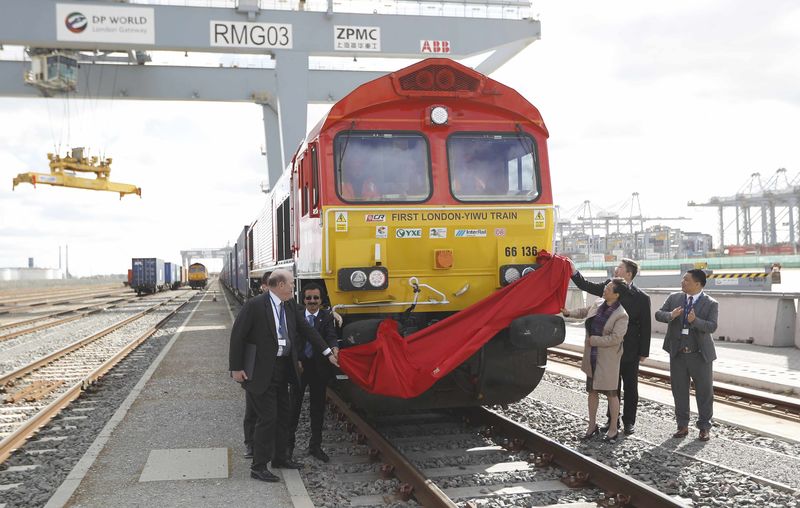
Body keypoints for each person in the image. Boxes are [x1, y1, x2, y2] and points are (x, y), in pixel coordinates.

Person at [229, 269, 339, 482]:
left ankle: (280, 458)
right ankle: (258, 466)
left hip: (283, 368)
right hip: (261, 370)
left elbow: (308, 330)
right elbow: (237, 336)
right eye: (290, 283)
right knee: (267, 418)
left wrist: (328, 353)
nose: (292, 287)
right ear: (279, 285)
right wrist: (236, 368)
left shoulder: (289, 306)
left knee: (284, 415)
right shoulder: (255, 305)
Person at [570, 258, 651, 435]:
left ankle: (629, 421)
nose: (616, 270)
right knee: (611, 387)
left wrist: (644, 351)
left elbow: (646, 326)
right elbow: (587, 285)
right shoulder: (609, 287)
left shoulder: (642, 298)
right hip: (607, 351)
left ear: (629, 274)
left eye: (620, 268)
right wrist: (573, 272)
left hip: (629, 349)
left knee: (630, 386)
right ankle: (611, 421)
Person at [562, 278, 629, 443]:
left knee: (612, 394)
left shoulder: (621, 315)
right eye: (606, 287)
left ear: (617, 294)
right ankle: (592, 425)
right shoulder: (599, 303)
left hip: (608, 360)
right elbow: (585, 311)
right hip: (592, 356)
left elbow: (616, 338)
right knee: (592, 391)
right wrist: (569, 313)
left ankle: (613, 428)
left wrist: (595, 341)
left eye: (608, 289)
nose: (604, 290)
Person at [655, 269, 718, 441]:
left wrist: (695, 321)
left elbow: (712, 326)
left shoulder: (711, 303)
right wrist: (671, 315)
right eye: (683, 279)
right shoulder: (674, 298)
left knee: (704, 392)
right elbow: (658, 314)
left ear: (698, 284)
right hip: (678, 354)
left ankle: (704, 427)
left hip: (700, 355)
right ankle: (682, 426)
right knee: (679, 390)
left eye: (686, 280)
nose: (682, 282)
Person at [288, 283, 339, 463]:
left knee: (317, 409)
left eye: (316, 298)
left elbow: (331, 335)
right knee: (293, 408)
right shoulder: (297, 316)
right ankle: (288, 448)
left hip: (319, 369)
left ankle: (315, 446)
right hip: (300, 368)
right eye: (309, 298)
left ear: (321, 300)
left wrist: (334, 347)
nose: (312, 301)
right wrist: (296, 361)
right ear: (303, 300)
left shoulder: (326, 317)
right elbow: (292, 340)